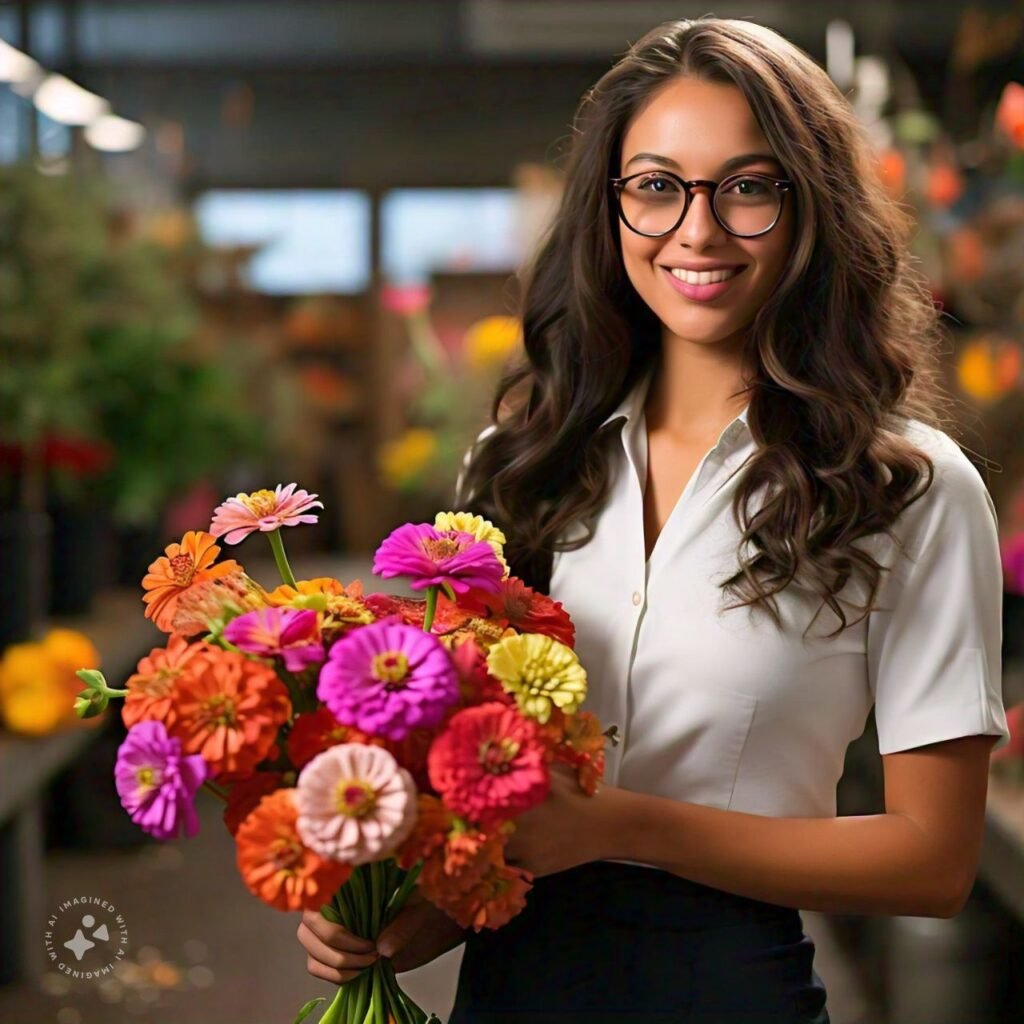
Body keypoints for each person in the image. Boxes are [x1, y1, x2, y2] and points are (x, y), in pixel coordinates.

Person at [297, 15, 1011, 1022]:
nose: (699, 231)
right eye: (657, 185)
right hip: (509, 984)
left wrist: (619, 825)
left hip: (723, 986)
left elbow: (933, 860)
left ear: (813, 211)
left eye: (749, 187)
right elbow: (498, 810)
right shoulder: (518, 466)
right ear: (610, 206)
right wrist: (405, 919)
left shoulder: (907, 487)